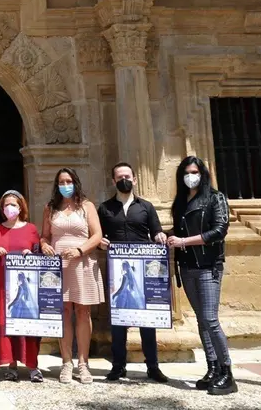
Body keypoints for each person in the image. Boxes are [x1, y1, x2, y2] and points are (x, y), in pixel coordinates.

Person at [168, 156, 236, 396]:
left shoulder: (215, 197)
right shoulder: (181, 201)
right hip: (187, 266)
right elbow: (180, 230)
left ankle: (227, 372)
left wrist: (184, 241)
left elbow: (219, 230)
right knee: (200, 319)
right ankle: (213, 367)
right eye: (186, 172)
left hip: (209, 265)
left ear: (202, 173)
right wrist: (163, 235)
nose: (190, 176)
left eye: (194, 171)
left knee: (210, 318)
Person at [97, 162, 169, 383]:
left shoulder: (146, 207)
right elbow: (98, 235)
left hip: (142, 270)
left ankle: (153, 366)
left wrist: (160, 236)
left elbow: (156, 231)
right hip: (117, 269)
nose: (124, 180)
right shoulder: (105, 208)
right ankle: (118, 366)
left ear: (135, 179)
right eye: (119, 177)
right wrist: (100, 242)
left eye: (127, 176)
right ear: (113, 181)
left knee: (147, 320)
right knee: (118, 320)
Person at [40, 167, 104, 384]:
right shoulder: (50, 208)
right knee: (64, 311)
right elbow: (44, 236)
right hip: (58, 265)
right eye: (61, 181)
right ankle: (66, 362)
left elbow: (97, 235)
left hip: (82, 262)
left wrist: (79, 250)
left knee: (83, 311)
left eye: (68, 181)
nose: (65, 185)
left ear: (75, 183)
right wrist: (44, 245)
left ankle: (83, 364)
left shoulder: (86, 206)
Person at [0, 190, 43, 383]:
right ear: (2, 208)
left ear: (21, 207)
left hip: (25, 288)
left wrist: (30, 254)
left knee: (28, 323)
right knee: (6, 324)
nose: (10, 208)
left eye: (14, 204)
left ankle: (33, 366)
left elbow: (40, 257)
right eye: (6, 204)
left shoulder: (31, 229)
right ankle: (11, 365)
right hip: (1, 285)